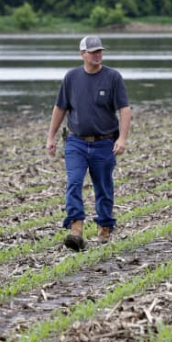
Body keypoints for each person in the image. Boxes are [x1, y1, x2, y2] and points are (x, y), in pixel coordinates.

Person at [47, 35, 132, 252]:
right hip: (76, 141)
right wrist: (51, 137)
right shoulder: (71, 77)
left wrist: (122, 139)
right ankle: (76, 228)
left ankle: (104, 226)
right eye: (93, 51)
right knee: (74, 182)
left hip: (104, 143)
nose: (97, 55)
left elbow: (124, 109)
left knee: (103, 186)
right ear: (82, 54)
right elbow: (60, 108)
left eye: (100, 51)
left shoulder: (113, 77)